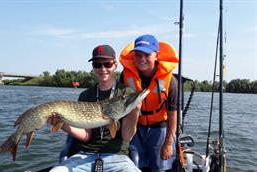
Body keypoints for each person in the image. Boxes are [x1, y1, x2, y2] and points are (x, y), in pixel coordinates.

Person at [48, 44, 141, 172]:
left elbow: (127, 137)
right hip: (85, 156)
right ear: (93, 67)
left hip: (117, 157)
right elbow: (86, 135)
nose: (103, 68)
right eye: (97, 64)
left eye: (107, 64)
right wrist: (63, 125)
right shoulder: (86, 95)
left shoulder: (126, 93)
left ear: (115, 65)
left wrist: (135, 111)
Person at [119, 34, 178, 172]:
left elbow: (173, 115)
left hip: (159, 129)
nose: (142, 59)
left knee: (160, 168)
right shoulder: (125, 75)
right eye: (138, 55)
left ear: (156, 55)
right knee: (135, 166)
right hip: (135, 127)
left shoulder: (171, 82)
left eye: (147, 55)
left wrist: (168, 143)